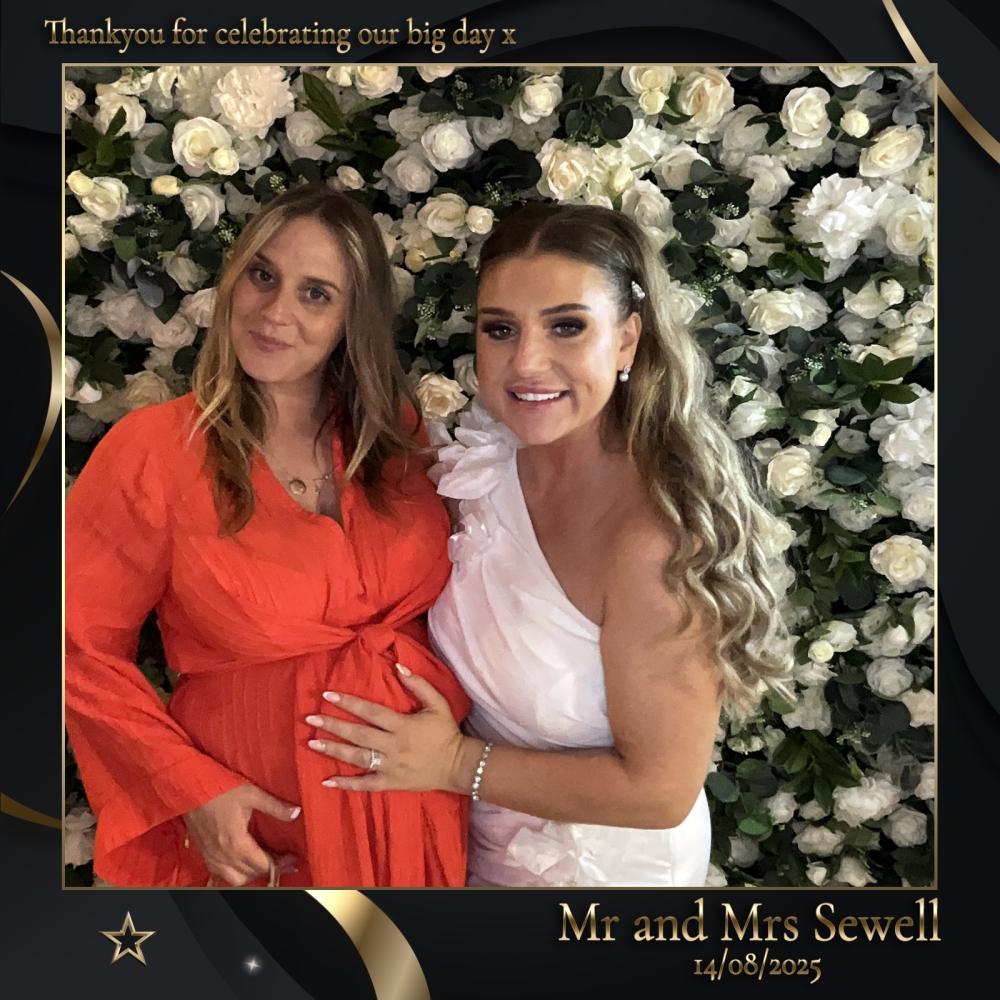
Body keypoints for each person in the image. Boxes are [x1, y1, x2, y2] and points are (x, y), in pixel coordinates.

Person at [303, 202, 794, 887]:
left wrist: (454, 764)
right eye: (500, 329)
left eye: (567, 326)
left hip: (599, 874)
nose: (527, 363)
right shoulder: (481, 463)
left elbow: (659, 791)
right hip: (471, 839)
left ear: (627, 341)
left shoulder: (652, 540)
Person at [65, 183, 470, 887]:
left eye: (316, 294)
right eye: (262, 275)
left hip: (415, 813)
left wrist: (460, 752)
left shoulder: (396, 438)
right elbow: (74, 643)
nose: (276, 312)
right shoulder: (154, 451)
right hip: (255, 832)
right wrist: (190, 790)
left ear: (352, 318)